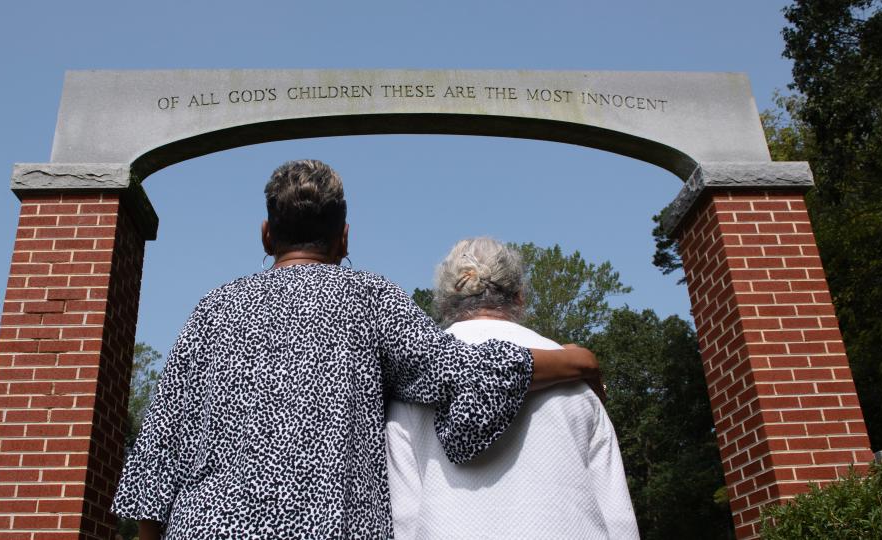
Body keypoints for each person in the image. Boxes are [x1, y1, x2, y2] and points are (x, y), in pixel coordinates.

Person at [111, 160, 602, 539]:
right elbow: (461, 373)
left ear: (266, 234)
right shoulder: (370, 299)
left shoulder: (212, 310)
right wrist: (573, 360)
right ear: (344, 237)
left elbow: (158, 455)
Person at [387, 237, 639, 539]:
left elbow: (403, 515)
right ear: (519, 297)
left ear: (443, 302)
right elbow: (617, 514)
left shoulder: (416, 385)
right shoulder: (577, 381)